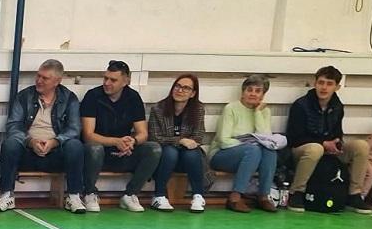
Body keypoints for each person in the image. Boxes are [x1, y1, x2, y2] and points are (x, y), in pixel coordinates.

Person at [0, 60, 84, 213]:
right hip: (27, 152)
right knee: (10, 144)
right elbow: (13, 125)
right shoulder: (24, 96)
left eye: (45, 78)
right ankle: (7, 195)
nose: (39, 81)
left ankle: (74, 197)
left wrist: (55, 142)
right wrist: (30, 141)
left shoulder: (69, 98)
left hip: (56, 153)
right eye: (38, 76)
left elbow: (74, 129)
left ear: (57, 81)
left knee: (75, 146)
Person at [286, 66, 370, 213]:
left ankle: (354, 194)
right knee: (315, 149)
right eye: (321, 82)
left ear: (337, 87)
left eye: (329, 84)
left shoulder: (338, 106)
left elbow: (337, 132)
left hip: (327, 149)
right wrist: (323, 144)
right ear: (315, 83)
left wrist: (337, 145)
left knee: (361, 146)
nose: (324, 87)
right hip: (303, 150)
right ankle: (297, 192)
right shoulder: (300, 105)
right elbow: (294, 138)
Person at [82, 60, 161, 213]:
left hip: (124, 151)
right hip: (98, 152)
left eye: (113, 80)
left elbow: (143, 133)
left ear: (126, 81)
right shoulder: (93, 96)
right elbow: (88, 135)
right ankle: (90, 193)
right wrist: (115, 141)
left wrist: (132, 141)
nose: (107, 83)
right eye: (105, 78)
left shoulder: (133, 98)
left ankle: (130, 194)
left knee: (154, 149)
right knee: (94, 148)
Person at [210, 74, 280, 213]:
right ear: (243, 92)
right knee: (253, 150)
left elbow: (266, 138)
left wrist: (257, 112)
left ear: (263, 95)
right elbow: (223, 141)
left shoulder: (264, 111)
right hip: (222, 155)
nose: (253, 94)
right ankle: (235, 197)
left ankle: (263, 196)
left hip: (252, 156)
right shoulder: (231, 108)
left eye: (258, 91)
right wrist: (247, 145)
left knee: (270, 151)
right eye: (249, 90)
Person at [146, 73, 207, 213]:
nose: (180, 90)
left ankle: (198, 196)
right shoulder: (158, 109)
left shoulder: (198, 109)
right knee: (170, 152)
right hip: (165, 158)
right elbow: (155, 137)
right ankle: (159, 196)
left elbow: (198, 136)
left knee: (192, 153)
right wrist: (180, 141)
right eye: (177, 86)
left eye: (186, 88)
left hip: (188, 157)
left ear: (192, 93)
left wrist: (186, 143)